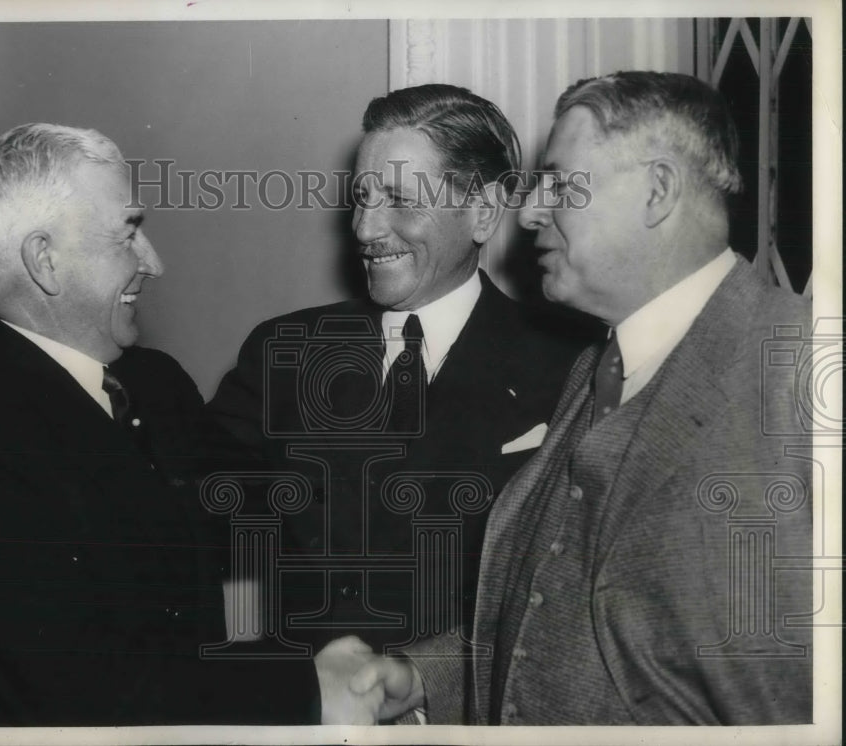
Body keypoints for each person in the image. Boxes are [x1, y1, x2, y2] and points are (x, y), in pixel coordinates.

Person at [350, 71, 813, 725]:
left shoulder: (796, 376)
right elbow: (567, 617)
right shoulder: (597, 370)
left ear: (657, 192)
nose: (532, 211)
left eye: (562, 184)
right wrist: (425, 675)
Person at [0, 123, 381, 726]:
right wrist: (305, 688)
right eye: (129, 232)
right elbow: (81, 696)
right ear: (45, 261)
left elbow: (266, 508)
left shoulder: (152, 383)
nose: (155, 262)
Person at [206, 84, 587, 657]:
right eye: (362, 197)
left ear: (482, 211)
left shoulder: (569, 367)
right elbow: (191, 523)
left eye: (401, 200)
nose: (364, 229)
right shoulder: (285, 350)